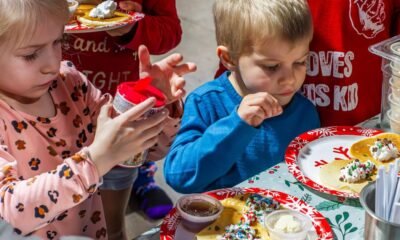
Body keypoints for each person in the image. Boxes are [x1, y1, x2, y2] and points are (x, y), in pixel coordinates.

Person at [0, 0, 195, 239]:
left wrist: (151, 104)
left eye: (58, 42)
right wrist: (95, 161)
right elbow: (10, 214)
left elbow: (146, 150)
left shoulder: (71, 82)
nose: (52, 65)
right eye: (31, 55)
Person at [164, 0, 320, 194]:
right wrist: (238, 124)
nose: (289, 79)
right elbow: (179, 176)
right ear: (229, 59)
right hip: (223, 220)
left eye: (300, 62)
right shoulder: (206, 103)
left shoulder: (305, 112)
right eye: (272, 66)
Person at [63, 0, 183, 237]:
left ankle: (142, 177)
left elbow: (170, 31)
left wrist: (134, 28)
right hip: (59, 114)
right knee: (61, 218)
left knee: (110, 226)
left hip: (121, 113)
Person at [215, 0, 400, 127]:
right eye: (272, 66)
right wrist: (230, 121)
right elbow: (237, 52)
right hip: (268, 135)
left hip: (365, 131)